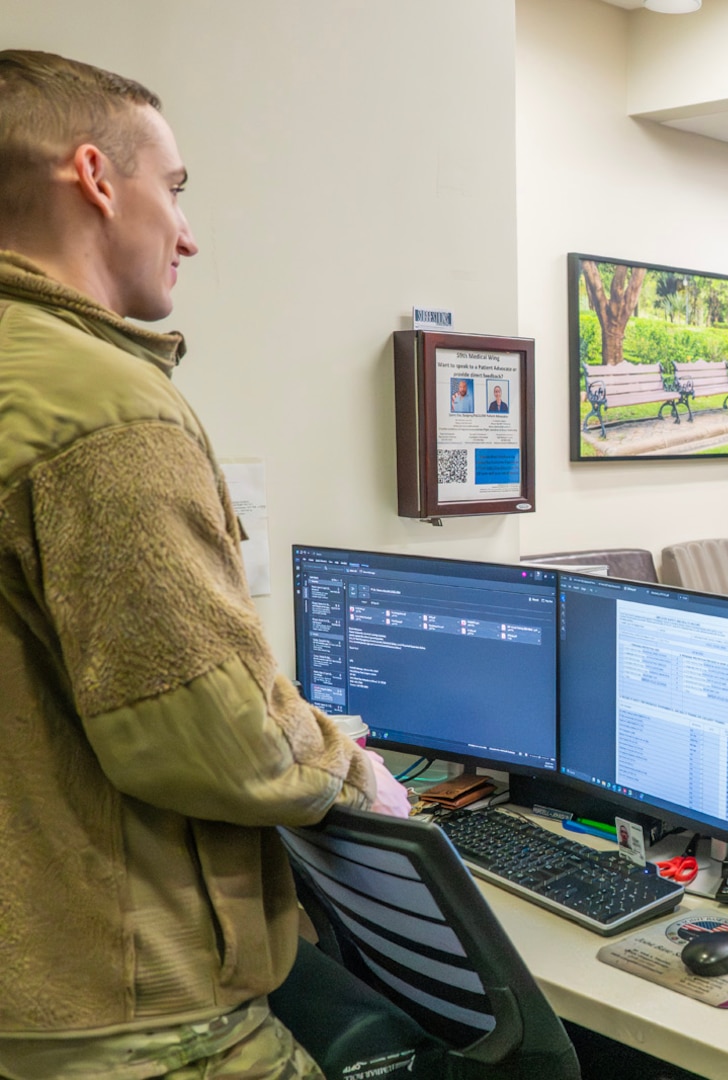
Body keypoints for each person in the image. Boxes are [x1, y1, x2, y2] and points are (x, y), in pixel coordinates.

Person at [0, 50, 411, 1078]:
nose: (188, 232)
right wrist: (353, 774)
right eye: (174, 190)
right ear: (96, 178)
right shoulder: (102, 407)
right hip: (136, 1015)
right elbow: (210, 734)